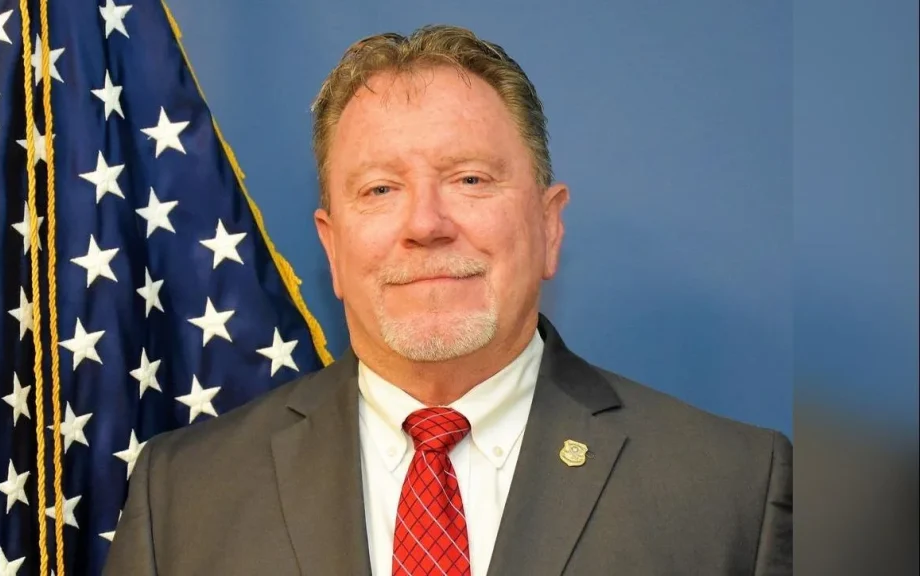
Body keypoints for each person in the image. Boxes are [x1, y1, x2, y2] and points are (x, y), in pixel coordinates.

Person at [104, 24, 792, 575]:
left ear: (549, 226)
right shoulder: (183, 494)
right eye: (380, 190)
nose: (426, 224)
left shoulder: (732, 491)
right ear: (332, 245)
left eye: (468, 179)